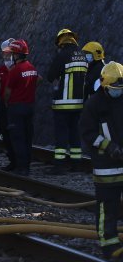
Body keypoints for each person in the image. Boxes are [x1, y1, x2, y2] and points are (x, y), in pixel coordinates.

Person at [80, 61, 123, 259]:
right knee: (108, 205)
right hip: (106, 165)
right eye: (114, 88)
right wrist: (109, 147)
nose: (118, 92)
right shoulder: (94, 104)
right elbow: (88, 134)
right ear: (104, 84)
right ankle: (108, 243)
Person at [47, 28, 88, 173]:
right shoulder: (83, 55)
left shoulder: (62, 55)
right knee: (74, 133)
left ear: (61, 42)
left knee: (61, 135)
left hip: (63, 104)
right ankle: (76, 163)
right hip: (78, 103)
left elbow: (50, 75)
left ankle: (59, 165)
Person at [3, 39, 39, 176]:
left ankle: (22, 168)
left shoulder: (15, 71)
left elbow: (7, 92)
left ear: (16, 55)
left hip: (16, 108)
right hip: (29, 106)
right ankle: (27, 165)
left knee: (17, 138)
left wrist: (7, 103)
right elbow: (39, 80)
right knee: (28, 137)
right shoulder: (32, 68)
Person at [0, 38, 17, 171]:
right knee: (5, 133)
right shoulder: (2, 69)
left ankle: (18, 161)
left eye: (9, 52)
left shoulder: (20, 67)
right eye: (5, 52)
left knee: (17, 134)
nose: (7, 55)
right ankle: (12, 160)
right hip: (4, 105)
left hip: (16, 105)